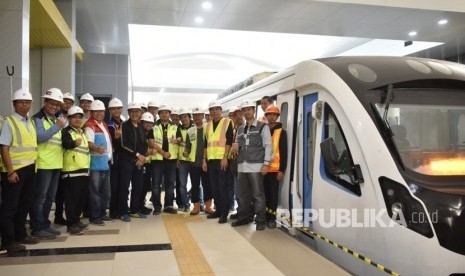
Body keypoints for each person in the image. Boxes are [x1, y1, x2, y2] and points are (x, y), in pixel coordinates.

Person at [0, 89, 39, 252]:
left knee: (24, 205)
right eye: (21, 102)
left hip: (30, 169)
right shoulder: (9, 122)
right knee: (10, 207)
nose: (25, 105)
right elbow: (4, 147)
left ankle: (20, 235)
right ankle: (8, 241)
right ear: (14, 104)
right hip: (15, 170)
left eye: (28, 102)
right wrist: (10, 170)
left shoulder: (29, 121)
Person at [231, 99, 272, 231]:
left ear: (254, 111)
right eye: (244, 110)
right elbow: (237, 145)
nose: (247, 112)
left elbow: (268, 145)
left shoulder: (262, 126)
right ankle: (244, 217)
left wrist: (266, 164)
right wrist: (235, 150)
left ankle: (260, 220)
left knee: (257, 194)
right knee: (242, 194)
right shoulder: (240, 129)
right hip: (242, 165)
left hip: (256, 166)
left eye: (249, 109)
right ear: (242, 113)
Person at [30, 88, 65, 240]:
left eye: (57, 105)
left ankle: (44, 224)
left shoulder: (53, 119)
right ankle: (37, 227)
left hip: (56, 164)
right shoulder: (38, 118)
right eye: (52, 103)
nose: (55, 107)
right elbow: (40, 137)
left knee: (50, 197)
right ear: (45, 102)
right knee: (40, 197)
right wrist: (57, 126)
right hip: (43, 164)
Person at [203, 101, 234, 224]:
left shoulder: (227, 122)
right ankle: (218, 210)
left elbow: (229, 141)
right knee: (214, 187)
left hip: (222, 160)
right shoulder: (208, 126)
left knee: (223, 187)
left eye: (216, 109)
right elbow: (206, 144)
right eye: (212, 109)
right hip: (211, 160)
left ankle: (224, 213)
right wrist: (204, 160)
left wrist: (225, 157)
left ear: (221, 110)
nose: (214, 111)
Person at [61, 106, 90, 235]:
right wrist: (73, 143)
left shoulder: (82, 132)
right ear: (69, 118)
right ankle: (71, 225)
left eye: (80, 117)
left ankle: (76, 220)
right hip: (71, 171)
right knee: (71, 200)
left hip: (84, 170)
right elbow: (66, 144)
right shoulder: (66, 131)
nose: (78, 120)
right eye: (75, 117)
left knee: (81, 199)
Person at [85, 100, 113, 226]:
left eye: (101, 111)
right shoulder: (89, 125)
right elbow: (89, 143)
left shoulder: (103, 124)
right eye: (96, 111)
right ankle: (95, 216)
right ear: (91, 112)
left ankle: (102, 213)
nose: (99, 113)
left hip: (105, 164)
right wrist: (97, 148)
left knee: (105, 192)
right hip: (95, 164)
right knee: (95, 192)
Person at [118, 103, 148, 221]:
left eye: (137, 111)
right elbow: (123, 144)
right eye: (132, 111)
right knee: (124, 187)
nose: (135, 113)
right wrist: (137, 155)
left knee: (138, 186)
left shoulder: (140, 126)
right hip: (127, 161)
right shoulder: (124, 125)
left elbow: (144, 144)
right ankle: (123, 211)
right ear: (128, 113)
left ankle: (134, 210)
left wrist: (142, 157)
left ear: (141, 113)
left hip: (138, 162)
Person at [150, 104, 181, 215]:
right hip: (157, 160)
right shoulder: (153, 126)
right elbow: (151, 141)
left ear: (169, 114)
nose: (164, 114)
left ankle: (168, 206)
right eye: (162, 112)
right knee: (156, 185)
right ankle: (157, 206)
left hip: (171, 160)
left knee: (170, 184)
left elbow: (179, 139)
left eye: (166, 112)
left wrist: (177, 140)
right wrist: (163, 153)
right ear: (159, 114)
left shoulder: (175, 127)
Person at [263, 105, 287, 229]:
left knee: (273, 196)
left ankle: (271, 219)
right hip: (263, 169)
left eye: (274, 114)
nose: (271, 116)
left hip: (274, 170)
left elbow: (284, 152)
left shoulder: (281, 132)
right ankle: (263, 217)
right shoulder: (263, 129)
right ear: (266, 116)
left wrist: (281, 170)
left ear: (277, 116)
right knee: (263, 195)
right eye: (269, 114)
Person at [184, 107, 210, 215]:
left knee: (207, 184)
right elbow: (188, 147)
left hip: (206, 162)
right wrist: (185, 152)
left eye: (199, 115)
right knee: (195, 185)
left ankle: (208, 206)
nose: (197, 117)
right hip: (193, 163)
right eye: (195, 116)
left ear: (203, 116)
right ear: (192, 118)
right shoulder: (190, 131)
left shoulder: (208, 129)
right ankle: (196, 206)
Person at [54, 92, 75, 226]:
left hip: (67, 159)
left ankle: (65, 216)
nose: (67, 104)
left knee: (65, 192)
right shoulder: (56, 116)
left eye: (70, 102)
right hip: (56, 157)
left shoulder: (72, 117)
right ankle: (58, 215)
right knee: (57, 192)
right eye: (65, 102)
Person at [107, 97, 124, 219]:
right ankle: (113, 211)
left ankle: (120, 209)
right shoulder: (109, 124)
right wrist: (116, 138)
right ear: (110, 110)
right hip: (114, 159)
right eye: (114, 108)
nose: (116, 110)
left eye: (118, 108)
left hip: (123, 159)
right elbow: (111, 144)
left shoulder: (122, 123)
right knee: (114, 186)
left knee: (121, 186)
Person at [139, 112, 155, 215]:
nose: (148, 125)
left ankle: (141, 205)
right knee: (139, 186)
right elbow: (138, 149)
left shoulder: (149, 132)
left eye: (150, 123)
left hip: (147, 162)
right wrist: (147, 153)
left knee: (144, 185)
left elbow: (152, 144)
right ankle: (137, 206)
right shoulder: (139, 131)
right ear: (142, 122)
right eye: (146, 123)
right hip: (139, 162)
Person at [177, 107, 193, 212]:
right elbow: (177, 146)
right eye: (181, 117)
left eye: (185, 117)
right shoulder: (179, 129)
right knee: (182, 185)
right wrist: (177, 159)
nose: (184, 119)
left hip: (193, 161)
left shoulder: (195, 128)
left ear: (189, 117)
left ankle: (199, 204)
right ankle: (186, 204)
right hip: (182, 161)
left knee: (196, 184)